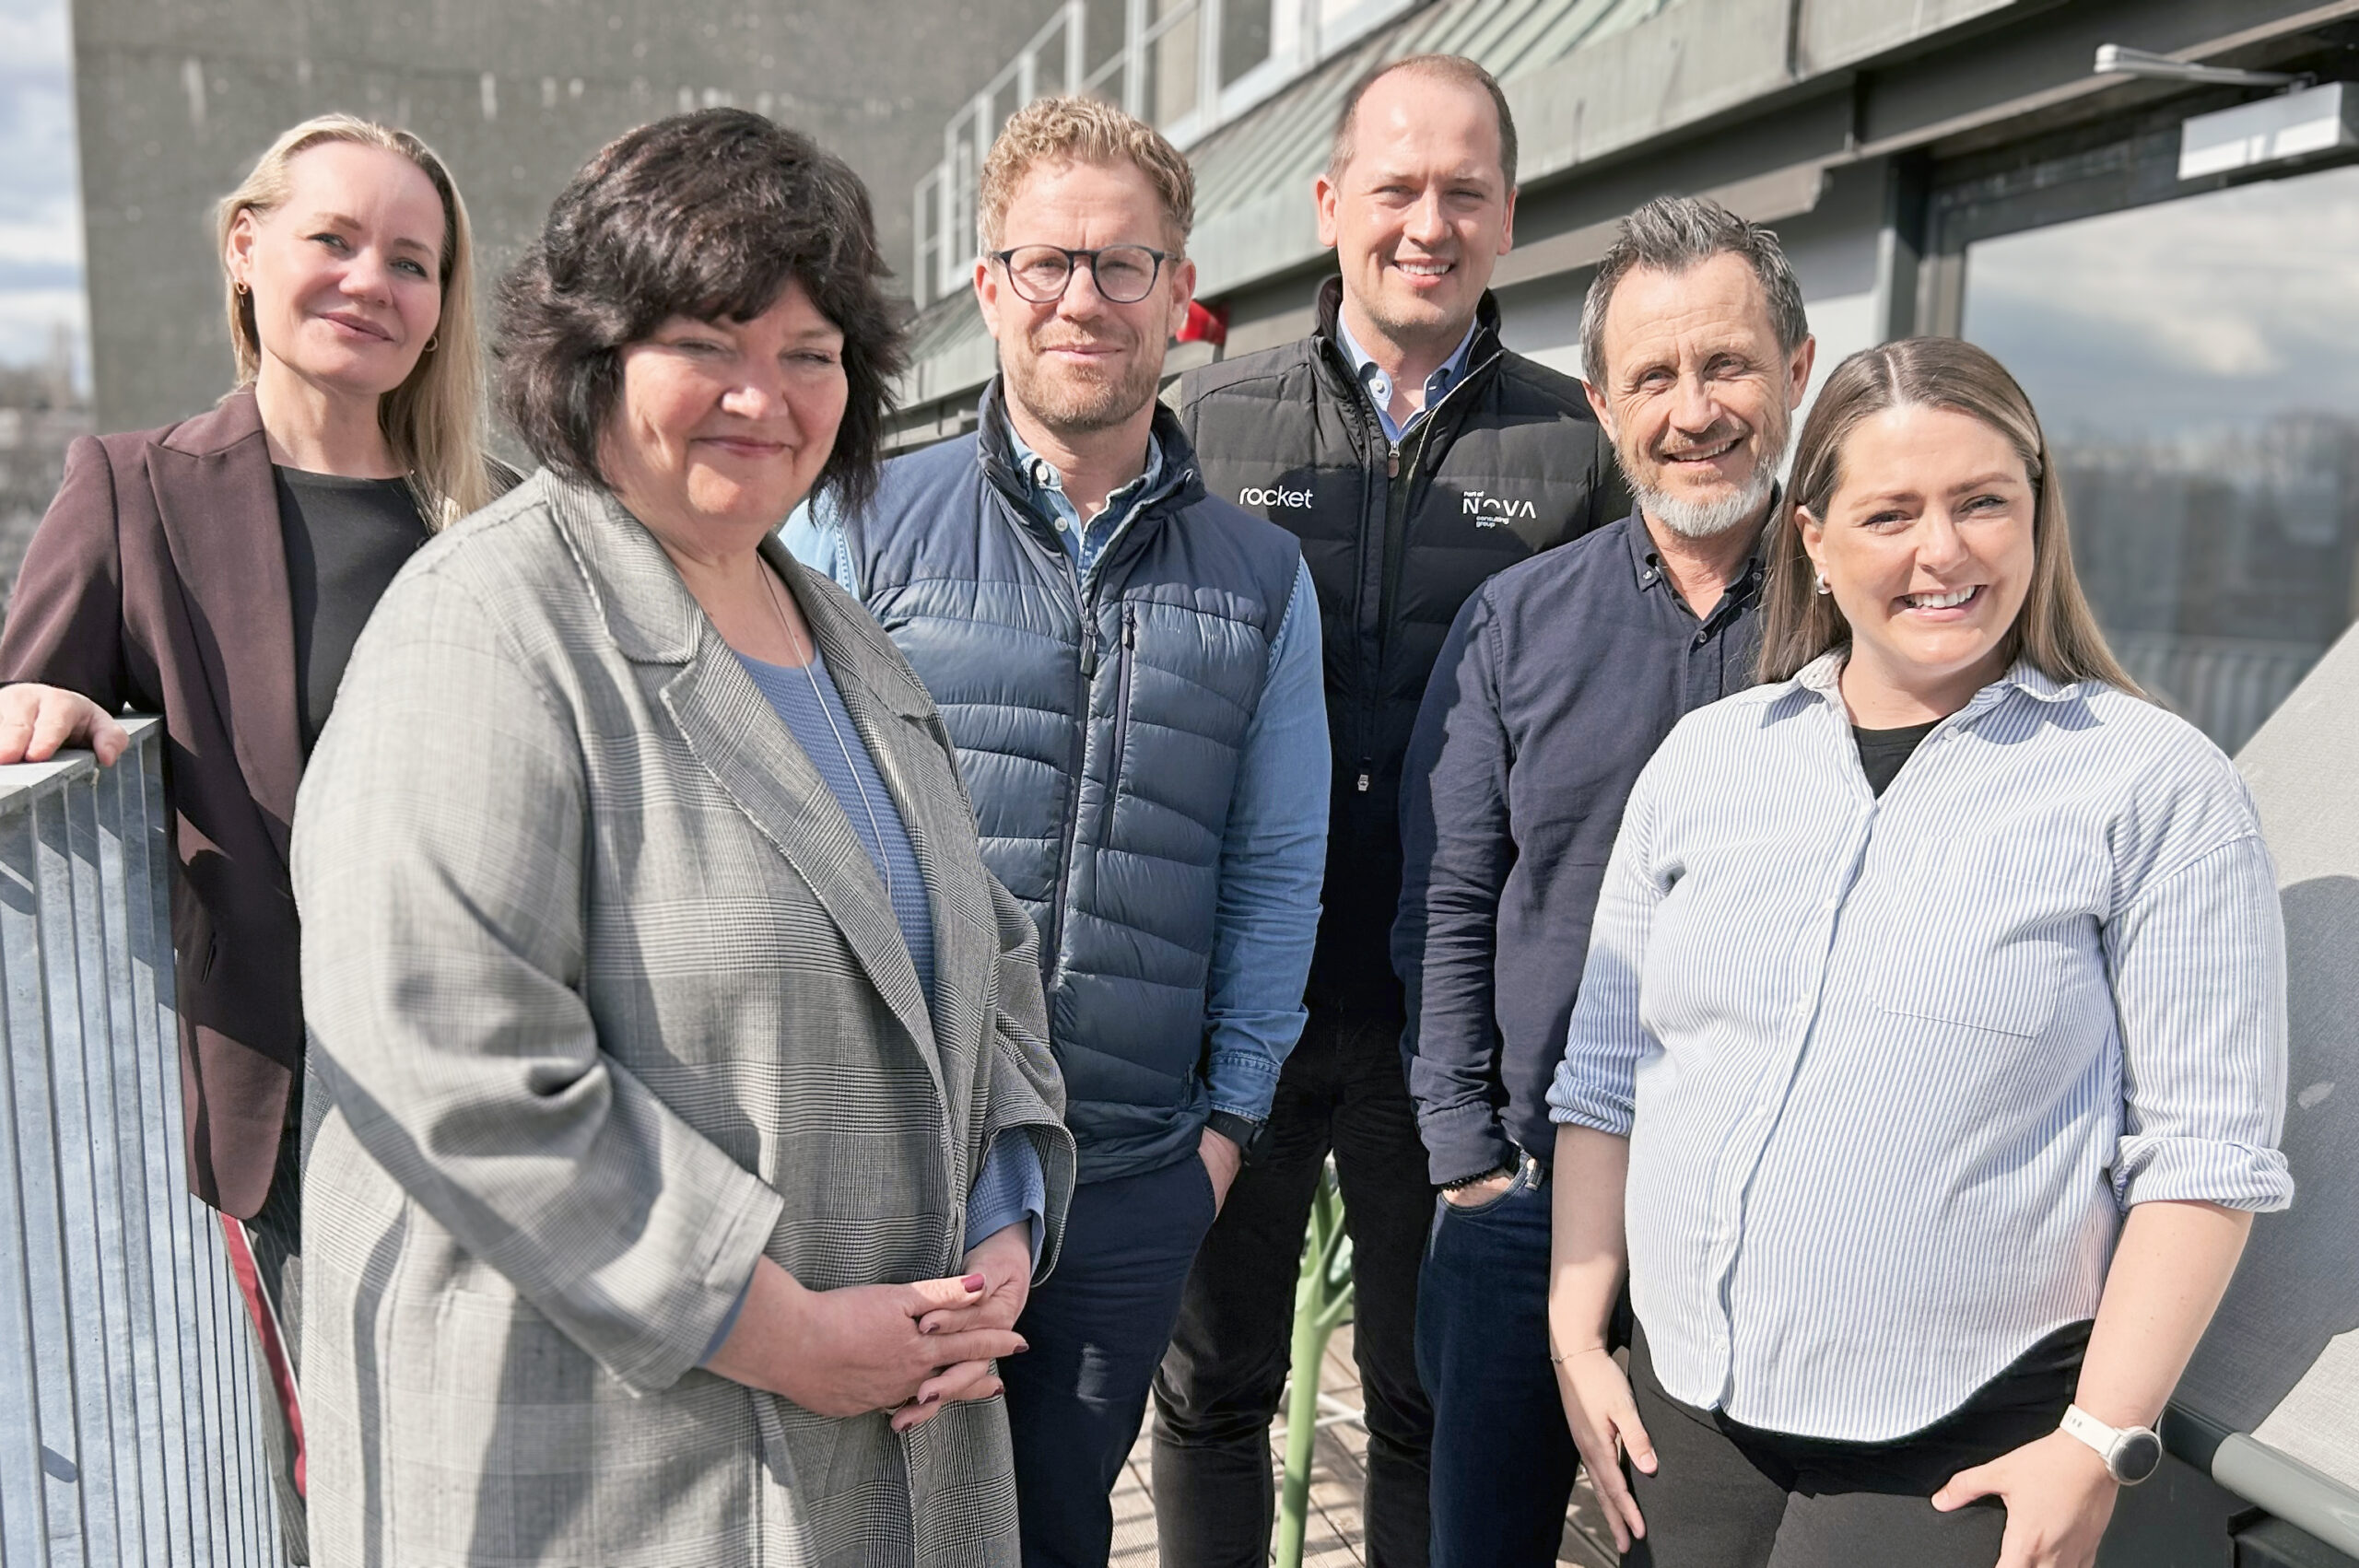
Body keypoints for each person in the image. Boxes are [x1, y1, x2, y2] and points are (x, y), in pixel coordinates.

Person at [289, 109, 1075, 1566]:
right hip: (619, 1472)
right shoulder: (489, 624)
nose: (761, 396)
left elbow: (989, 950)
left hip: (886, 1445)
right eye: (708, 341)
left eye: (811, 351)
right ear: (594, 355)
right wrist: (775, 1329)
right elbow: (447, 1050)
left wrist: (1007, 1220)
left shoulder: (844, 637)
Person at [1546, 335, 2292, 1568]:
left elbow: (2205, 1147)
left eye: (1982, 502)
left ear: (2039, 519)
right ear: (1815, 545)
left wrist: (2103, 1436)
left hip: (1965, 1438)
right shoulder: (1708, 762)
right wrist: (1580, 1338)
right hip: (1688, 1408)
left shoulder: (2154, 786)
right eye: (1890, 512)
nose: (1941, 550)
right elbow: (1608, 1072)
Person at [786, 95, 1327, 1568]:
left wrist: (1221, 1134)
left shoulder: (1262, 579)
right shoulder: (860, 524)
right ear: (990, 288)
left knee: (1053, 1534)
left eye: (1123, 265)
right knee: (869, 1525)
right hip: (905, 1163)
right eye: (1049, 264)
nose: (1084, 298)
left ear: (1177, 292)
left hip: (1135, 1175)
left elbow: (1277, 869)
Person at [0, 112, 499, 1562]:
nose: (371, 281)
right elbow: (38, 684)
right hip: (292, 1112)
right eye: (333, 239)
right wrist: (38, 699)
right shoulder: (132, 486)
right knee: (341, 1465)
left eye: (413, 261)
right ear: (247, 246)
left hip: (499, 1081)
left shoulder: (489, 518)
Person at [1156, 55, 1623, 1567]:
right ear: (1329, 204)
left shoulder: (1579, 449)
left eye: (1464, 193)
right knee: (1213, 1385)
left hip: (1455, 1034)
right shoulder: (1205, 426)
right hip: (1244, 1011)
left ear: (1507, 218)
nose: (1429, 222)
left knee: (1432, 1399)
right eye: (1398, 187)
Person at [1392, 194, 1813, 1565]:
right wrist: (1461, 1159)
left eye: (1728, 363)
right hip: (1522, 1200)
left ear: (1797, 371)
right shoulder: (1519, 619)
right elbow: (1451, 894)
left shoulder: (1860, 622)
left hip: (1765, 1223)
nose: (1694, 409)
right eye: (1654, 375)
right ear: (1602, 402)